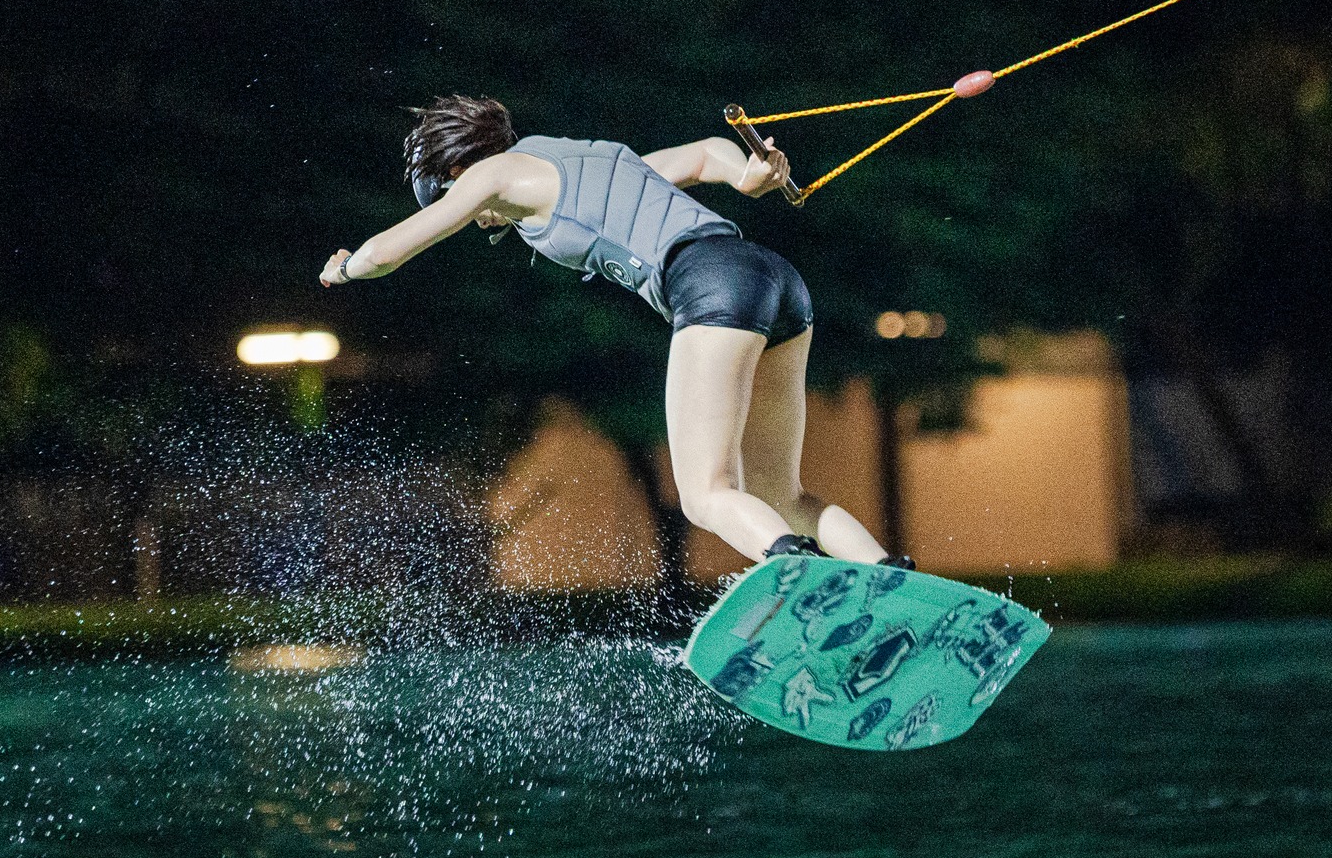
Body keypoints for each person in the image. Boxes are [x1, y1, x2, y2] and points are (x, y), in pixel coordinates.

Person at [318, 94, 908, 569]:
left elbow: (389, 251)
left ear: (456, 169)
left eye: (453, 198)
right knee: (782, 497)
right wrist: (745, 176)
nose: (474, 216)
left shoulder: (493, 172)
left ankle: (799, 578)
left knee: (706, 494)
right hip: (776, 281)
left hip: (712, 286)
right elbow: (706, 154)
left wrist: (345, 268)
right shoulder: (594, 161)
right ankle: (889, 576)